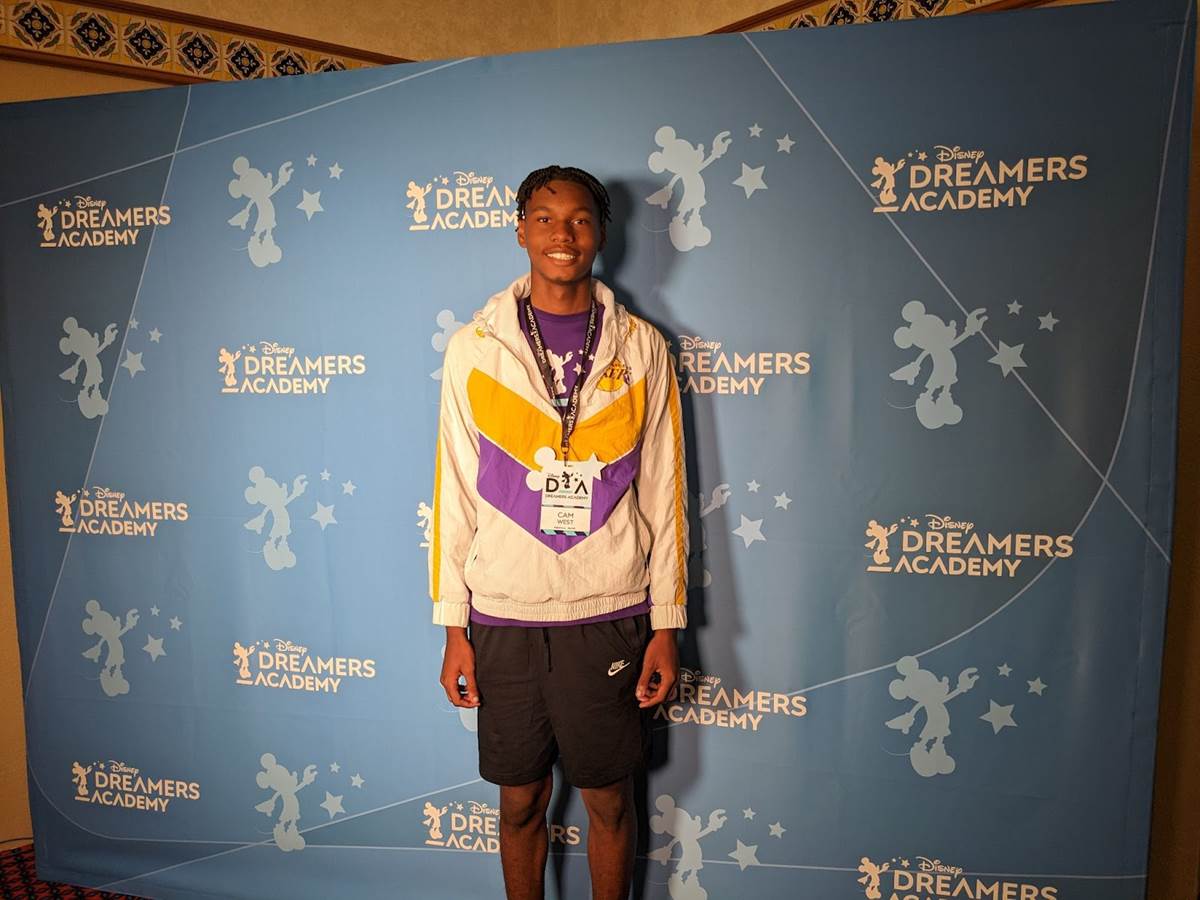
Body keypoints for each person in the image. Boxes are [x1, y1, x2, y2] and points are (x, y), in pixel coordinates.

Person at [429, 164, 688, 900]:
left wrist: (666, 624)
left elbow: (666, 491)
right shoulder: (474, 348)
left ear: (601, 233)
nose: (562, 234)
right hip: (502, 618)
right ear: (521, 231)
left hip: (608, 614)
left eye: (579, 219)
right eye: (544, 218)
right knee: (519, 805)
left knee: (611, 804)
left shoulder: (642, 347)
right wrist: (453, 629)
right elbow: (454, 492)